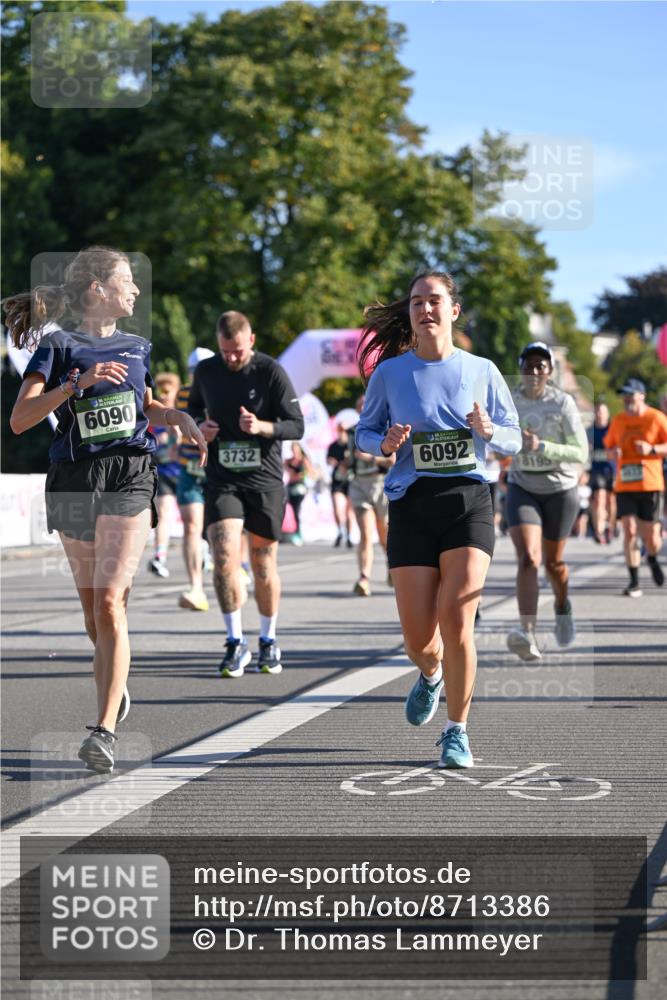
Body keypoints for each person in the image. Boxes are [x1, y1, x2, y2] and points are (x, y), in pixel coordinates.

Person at [4, 246, 206, 772]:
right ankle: (115, 683)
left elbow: (145, 407)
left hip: (130, 473)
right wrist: (75, 385)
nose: (135, 291)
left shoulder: (139, 346)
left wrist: (174, 416)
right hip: (73, 479)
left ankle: (103, 731)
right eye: (126, 281)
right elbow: (21, 419)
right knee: (95, 615)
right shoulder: (58, 346)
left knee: (112, 601)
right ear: (97, 289)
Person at [356, 270, 521, 768]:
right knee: (419, 642)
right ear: (409, 313)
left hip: (468, 499)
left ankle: (457, 730)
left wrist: (490, 429)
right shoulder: (390, 373)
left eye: (434, 301)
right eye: (416, 302)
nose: (424, 309)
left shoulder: (482, 369)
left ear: (453, 310)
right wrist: (382, 444)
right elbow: (364, 433)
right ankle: (430, 674)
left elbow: (513, 438)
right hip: (410, 504)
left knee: (458, 620)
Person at [188, 310, 304, 677]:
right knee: (223, 556)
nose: (232, 358)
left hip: (264, 480)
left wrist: (262, 426)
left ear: (250, 341)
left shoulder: (270, 372)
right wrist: (200, 429)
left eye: (237, 351)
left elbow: (296, 426)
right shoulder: (206, 372)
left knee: (262, 564)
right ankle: (235, 641)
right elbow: (190, 415)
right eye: (225, 352)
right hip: (223, 478)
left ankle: (268, 640)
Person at [505, 342, 588, 661]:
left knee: (554, 564)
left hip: (560, 489)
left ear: (550, 372)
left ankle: (562, 605)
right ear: (521, 369)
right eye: (529, 365)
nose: (535, 371)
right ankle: (527, 632)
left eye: (542, 366)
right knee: (528, 557)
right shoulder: (510, 401)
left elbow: (579, 452)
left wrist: (542, 447)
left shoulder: (562, 403)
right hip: (522, 485)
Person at [603, 378, 667, 597]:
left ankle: (651, 556)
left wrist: (652, 449)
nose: (627, 399)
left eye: (631, 394)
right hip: (625, 484)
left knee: (652, 537)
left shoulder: (656, 418)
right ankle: (634, 581)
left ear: (642, 396)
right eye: (624, 395)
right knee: (629, 531)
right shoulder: (618, 420)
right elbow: (609, 448)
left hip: (650, 484)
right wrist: (613, 454)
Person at [175, 347, 216, 611]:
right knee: (192, 527)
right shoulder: (183, 395)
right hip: (190, 468)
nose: (196, 376)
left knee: (222, 529)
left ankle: (239, 567)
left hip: (218, 471)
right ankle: (196, 587)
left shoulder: (223, 390)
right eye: (193, 371)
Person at [349, 393, 394, 596]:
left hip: (380, 484)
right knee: (366, 533)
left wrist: (372, 457)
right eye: (359, 405)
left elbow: (392, 460)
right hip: (359, 485)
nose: (362, 409)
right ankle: (363, 578)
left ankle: (392, 566)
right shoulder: (352, 432)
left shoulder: (385, 428)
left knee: (384, 533)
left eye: (365, 405)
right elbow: (345, 458)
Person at [148, 371, 182, 578]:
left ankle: (204, 549)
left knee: (194, 518)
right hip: (164, 472)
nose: (164, 396)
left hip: (187, 472)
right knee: (164, 514)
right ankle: (159, 557)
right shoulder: (152, 417)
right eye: (161, 393)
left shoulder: (183, 413)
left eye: (168, 392)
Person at [587, 400, 616, 544]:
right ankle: (598, 532)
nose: (599, 414)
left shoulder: (613, 429)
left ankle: (609, 527)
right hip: (596, 470)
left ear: (607, 414)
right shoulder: (589, 431)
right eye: (597, 411)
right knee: (599, 499)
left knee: (611, 500)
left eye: (602, 411)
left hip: (612, 469)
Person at [327, 423, 354, 548]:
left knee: (349, 512)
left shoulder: (351, 445)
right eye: (340, 430)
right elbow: (329, 460)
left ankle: (348, 536)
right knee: (338, 508)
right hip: (338, 481)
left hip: (350, 480)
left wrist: (347, 463)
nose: (342, 432)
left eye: (344, 430)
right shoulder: (333, 446)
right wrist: (334, 462)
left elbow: (355, 460)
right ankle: (340, 531)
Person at [284, 441, 314, 545]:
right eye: (293, 449)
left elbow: (310, 472)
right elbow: (283, 467)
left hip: (300, 487)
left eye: (296, 449)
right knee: (290, 509)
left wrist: (300, 475)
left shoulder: (303, 461)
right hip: (290, 487)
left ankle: (298, 533)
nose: (294, 451)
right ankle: (291, 531)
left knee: (296, 510)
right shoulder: (289, 461)